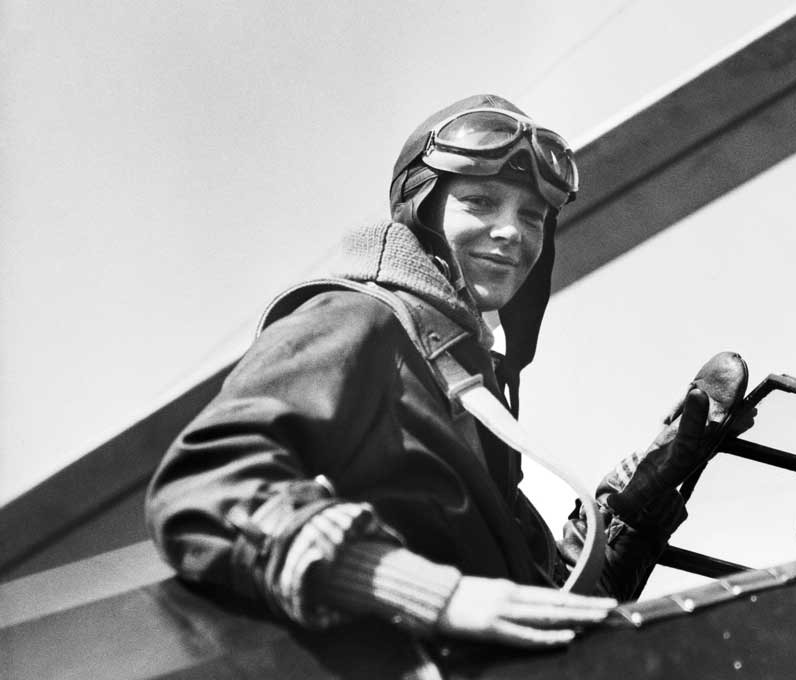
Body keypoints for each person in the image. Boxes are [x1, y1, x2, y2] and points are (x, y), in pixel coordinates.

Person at [145, 94, 750, 648]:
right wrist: (434, 595)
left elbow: (544, 605)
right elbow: (204, 483)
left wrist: (633, 514)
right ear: (424, 210)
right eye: (480, 202)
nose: (512, 231)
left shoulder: (461, 382)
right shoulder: (360, 320)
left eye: (533, 216)